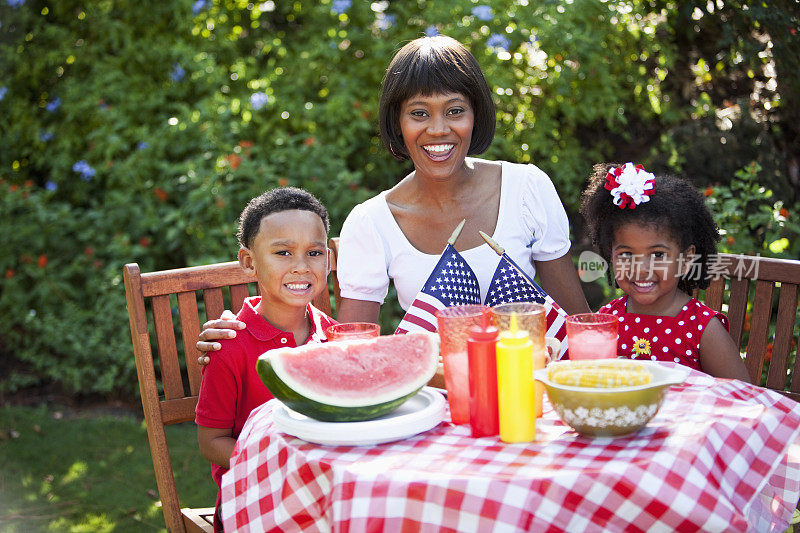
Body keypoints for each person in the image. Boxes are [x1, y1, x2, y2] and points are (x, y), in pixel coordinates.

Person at [196, 35, 589, 354]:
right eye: (419, 113)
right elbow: (352, 346)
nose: (438, 130)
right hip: (437, 410)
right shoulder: (372, 222)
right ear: (397, 123)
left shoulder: (527, 189)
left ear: (476, 115)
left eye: (455, 111)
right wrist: (239, 335)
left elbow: (579, 321)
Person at [194, 187, 337, 531]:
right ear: (248, 262)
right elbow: (211, 442)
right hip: (257, 497)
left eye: (314, 252)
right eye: (283, 252)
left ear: (329, 260)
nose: (301, 267)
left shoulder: (334, 337)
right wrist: (279, 464)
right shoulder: (228, 345)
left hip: (325, 492)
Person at [580, 162, 750, 380]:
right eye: (626, 254)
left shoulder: (702, 329)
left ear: (686, 259)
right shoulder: (606, 320)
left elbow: (741, 395)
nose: (640, 270)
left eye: (657, 255)